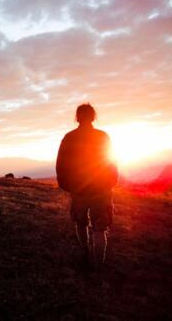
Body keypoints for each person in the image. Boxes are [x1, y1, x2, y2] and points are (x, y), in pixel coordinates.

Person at [56, 103, 118, 269]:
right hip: (102, 189)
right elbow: (111, 160)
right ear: (93, 117)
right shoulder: (103, 136)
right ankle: (98, 264)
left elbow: (61, 164)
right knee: (100, 229)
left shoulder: (69, 137)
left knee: (81, 223)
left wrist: (66, 185)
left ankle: (86, 252)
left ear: (77, 117)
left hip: (79, 189)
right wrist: (112, 181)